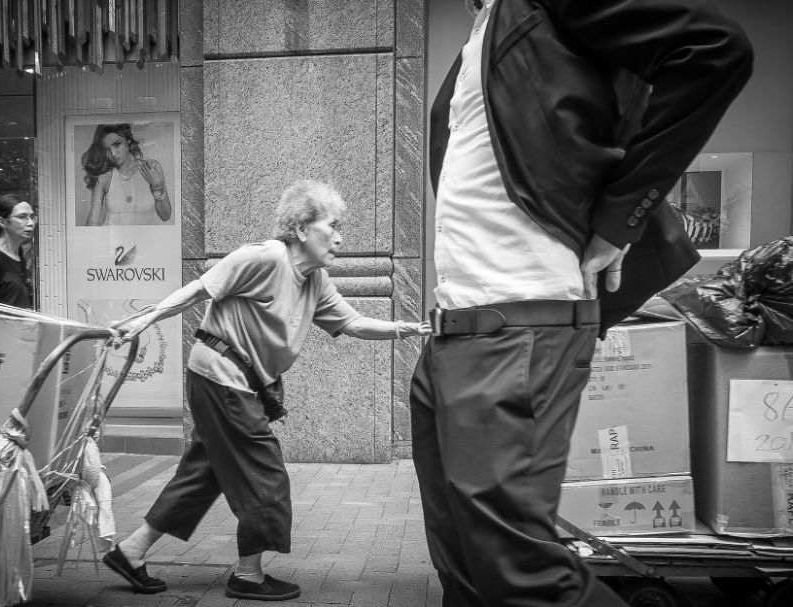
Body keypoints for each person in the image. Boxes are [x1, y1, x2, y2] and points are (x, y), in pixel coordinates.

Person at [413, 1, 753, 605]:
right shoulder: (478, 36)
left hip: (518, 325)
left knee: (516, 567)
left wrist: (620, 218)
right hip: (451, 334)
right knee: (460, 561)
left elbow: (714, 51)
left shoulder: (536, 7)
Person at [102, 180, 430, 600]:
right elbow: (197, 291)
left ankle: (131, 551)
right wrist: (141, 321)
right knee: (265, 472)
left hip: (238, 386)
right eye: (333, 225)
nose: (341, 236)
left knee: (205, 473)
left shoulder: (315, 280)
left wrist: (405, 328)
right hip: (220, 377)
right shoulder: (266, 257)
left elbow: (352, 323)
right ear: (300, 229)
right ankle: (248, 576)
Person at [81, 123, 172, 226]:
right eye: (107, 149)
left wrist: (157, 185)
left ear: (128, 140)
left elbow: (166, 216)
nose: (113, 154)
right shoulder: (104, 177)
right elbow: (93, 220)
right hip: (113, 241)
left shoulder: (151, 167)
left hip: (144, 240)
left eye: (117, 144)